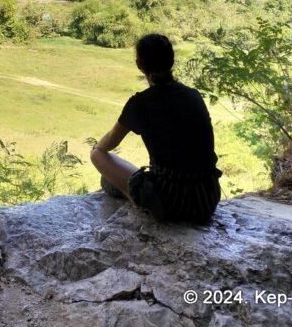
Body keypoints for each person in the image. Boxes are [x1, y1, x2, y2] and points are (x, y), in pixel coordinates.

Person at [90, 33, 221, 223]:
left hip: (171, 202)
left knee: (101, 167)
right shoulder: (193, 96)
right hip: (207, 198)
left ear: (139, 64)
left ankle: (139, 201)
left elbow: (105, 146)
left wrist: (97, 149)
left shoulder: (140, 103)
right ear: (171, 61)